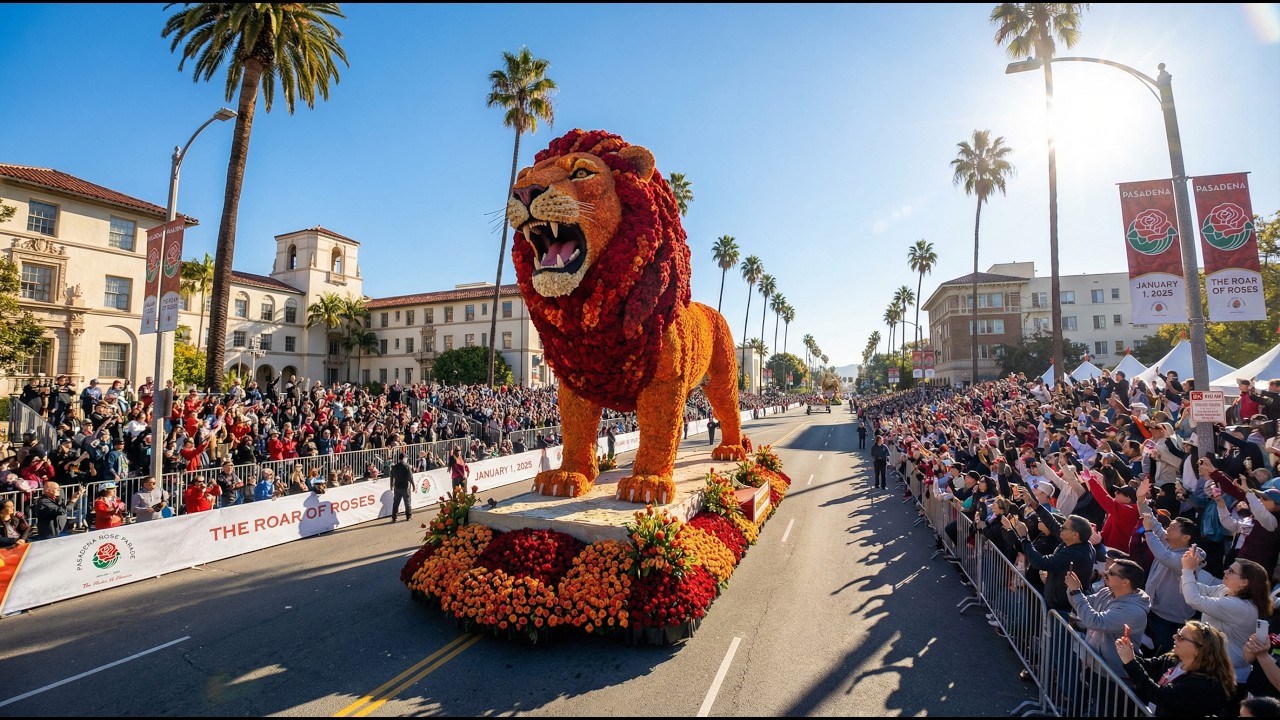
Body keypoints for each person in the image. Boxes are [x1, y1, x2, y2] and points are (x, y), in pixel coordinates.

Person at [1182, 549, 1273, 683]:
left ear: (1244, 583)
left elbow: (1194, 600)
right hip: (1212, 669)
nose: (1225, 572)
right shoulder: (1225, 590)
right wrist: (1191, 568)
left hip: (1228, 677)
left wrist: (1188, 570)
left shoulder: (1241, 607)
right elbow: (1188, 589)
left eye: (1231, 571)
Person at [1116, 619, 1238, 717]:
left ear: (1200, 650)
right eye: (1178, 633)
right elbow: (1149, 667)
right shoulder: (1174, 660)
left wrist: (1131, 662)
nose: (1174, 637)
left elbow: (1160, 696)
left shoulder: (1204, 684)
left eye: (1181, 637)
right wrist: (1129, 653)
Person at [1065, 560, 1151, 675]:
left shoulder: (1133, 611)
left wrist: (1076, 591)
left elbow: (1095, 621)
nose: (1104, 573)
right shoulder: (1107, 592)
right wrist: (1073, 589)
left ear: (1125, 582)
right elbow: (1080, 604)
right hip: (1093, 663)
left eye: (1111, 573)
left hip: (1111, 675)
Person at [390, 453, 414, 523]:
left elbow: (392, 477)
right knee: (407, 502)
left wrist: (391, 485)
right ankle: (408, 516)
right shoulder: (407, 466)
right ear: (404, 458)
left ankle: (394, 518)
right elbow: (410, 477)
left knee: (396, 503)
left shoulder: (394, 467)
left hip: (397, 487)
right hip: (405, 486)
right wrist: (413, 484)